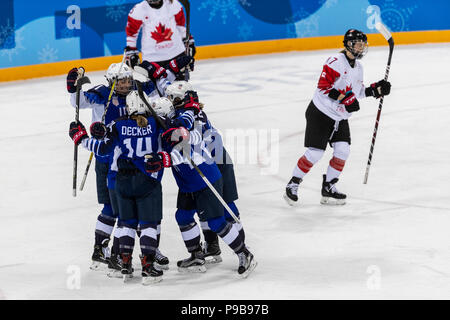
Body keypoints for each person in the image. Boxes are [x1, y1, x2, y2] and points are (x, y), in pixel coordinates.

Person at [66, 59, 181, 270]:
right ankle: (103, 250)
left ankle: (147, 250)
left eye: (128, 80)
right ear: (111, 82)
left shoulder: (138, 93)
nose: (125, 85)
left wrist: (157, 75)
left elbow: (159, 101)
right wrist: (73, 88)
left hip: (135, 163)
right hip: (107, 160)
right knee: (114, 208)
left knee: (141, 209)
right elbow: (78, 102)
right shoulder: (102, 95)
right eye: (120, 82)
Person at [283, 29, 391, 206]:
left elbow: (358, 92)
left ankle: (329, 187)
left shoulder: (359, 67)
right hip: (320, 113)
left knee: (343, 150)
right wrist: (346, 98)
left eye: (363, 44)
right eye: (358, 43)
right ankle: (293, 183)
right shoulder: (335, 62)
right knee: (316, 153)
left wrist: (376, 90)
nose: (361, 47)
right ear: (348, 44)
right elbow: (323, 86)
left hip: (339, 118)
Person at [158, 89, 257, 278]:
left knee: (216, 221)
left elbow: (192, 143)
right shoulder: (165, 127)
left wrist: (175, 143)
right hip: (188, 183)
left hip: (205, 178)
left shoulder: (184, 123)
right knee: (183, 216)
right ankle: (196, 256)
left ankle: (244, 253)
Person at [125, 0, 195, 80]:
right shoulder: (139, 9)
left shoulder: (173, 4)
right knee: (156, 91)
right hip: (153, 59)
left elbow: (181, 26)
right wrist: (131, 51)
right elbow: (132, 32)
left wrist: (189, 41)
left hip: (177, 55)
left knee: (180, 89)